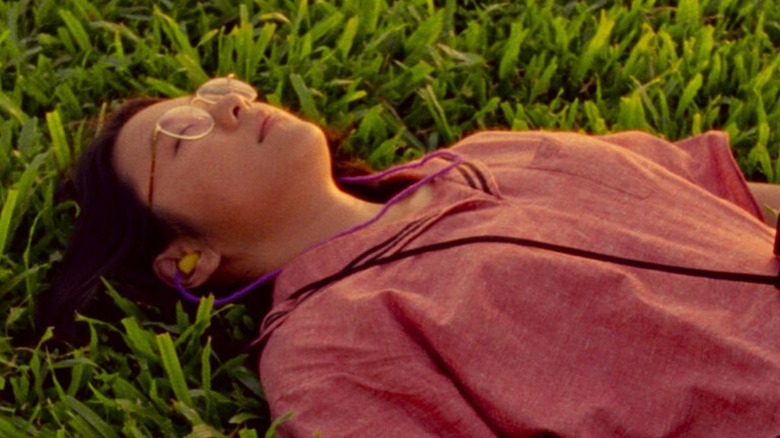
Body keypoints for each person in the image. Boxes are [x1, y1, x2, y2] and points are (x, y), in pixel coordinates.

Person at [39, 76, 780, 437]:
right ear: (188, 260)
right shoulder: (327, 348)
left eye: (212, 92)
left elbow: (736, 199)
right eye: (186, 133)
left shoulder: (499, 152)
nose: (230, 102)